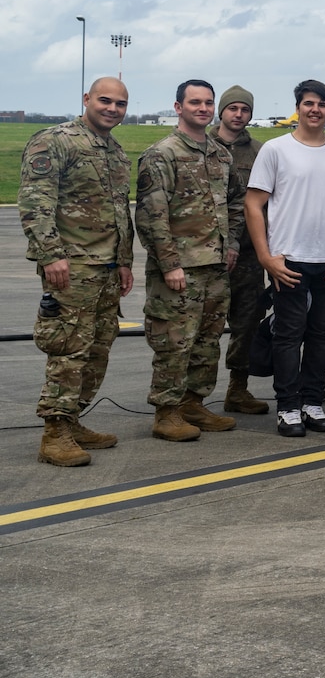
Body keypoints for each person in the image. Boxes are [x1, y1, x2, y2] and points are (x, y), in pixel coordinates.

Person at [23, 78, 135, 466]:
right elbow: (36, 202)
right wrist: (51, 255)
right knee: (69, 349)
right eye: (105, 100)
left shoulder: (116, 153)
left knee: (99, 347)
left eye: (120, 103)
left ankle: (71, 420)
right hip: (71, 267)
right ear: (86, 99)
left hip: (105, 269)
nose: (112, 108)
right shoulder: (55, 141)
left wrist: (124, 261)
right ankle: (53, 433)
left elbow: (120, 212)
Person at [135, 80, 243, 443]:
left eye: (208, 102)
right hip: (179, 269)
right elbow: (152, 214)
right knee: (174, 343)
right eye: (194, 102)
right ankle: (166, 412)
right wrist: (169, 264)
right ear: (178, 107)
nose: (203, 108)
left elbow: (235, 203)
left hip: (215, 266)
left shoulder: (220, 154)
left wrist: (232, 246)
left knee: (207, 341)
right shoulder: (162, 154)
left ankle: (193, 403)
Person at [246, 80, 325, 439]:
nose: (316, 110)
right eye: (309, 103)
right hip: (288, 260)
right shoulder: (276, 150)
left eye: (323, 104)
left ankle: (312, 401)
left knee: (322, 335)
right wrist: (266, 257)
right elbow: (254, 204)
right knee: (289, 336)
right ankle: (288, 406)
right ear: (299, 107)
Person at [210, 84, 270, 415]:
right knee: (203, 326)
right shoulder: (202, 146)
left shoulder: (260, 152)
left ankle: (238, 388)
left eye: (244, 109)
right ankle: (190, 395)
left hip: (247, 254)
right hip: (206, 255)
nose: (238, 114)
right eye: (232, 108)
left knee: (247, 322)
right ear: (222, 111)